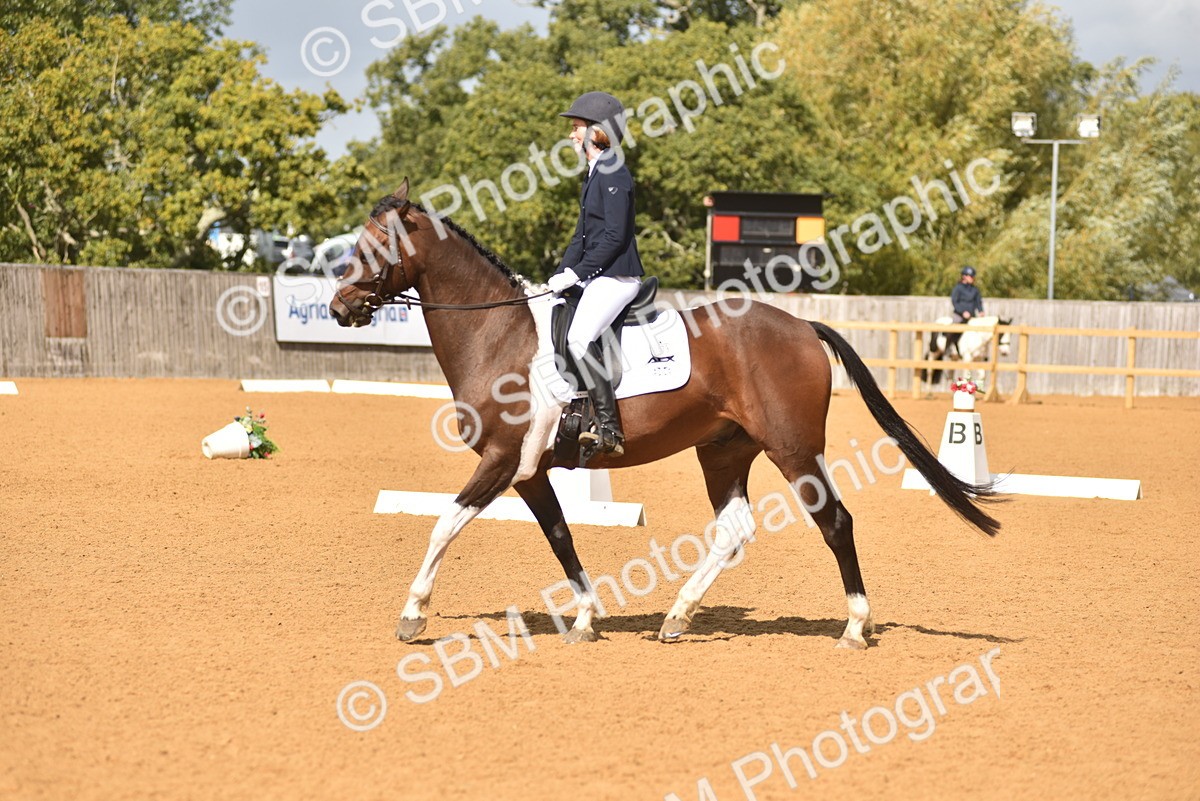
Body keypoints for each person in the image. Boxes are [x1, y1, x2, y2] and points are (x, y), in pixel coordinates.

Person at [546, 91, 645, 457]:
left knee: (578, 338)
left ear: (596, 132)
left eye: (576, 127)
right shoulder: (594, 172)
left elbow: (616, 236)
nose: (571, 135)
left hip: (618, 275)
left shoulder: (614, 169)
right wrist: (558, 278)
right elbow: (581, 236)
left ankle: (609, 430)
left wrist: (576, 275)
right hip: (597, 274)